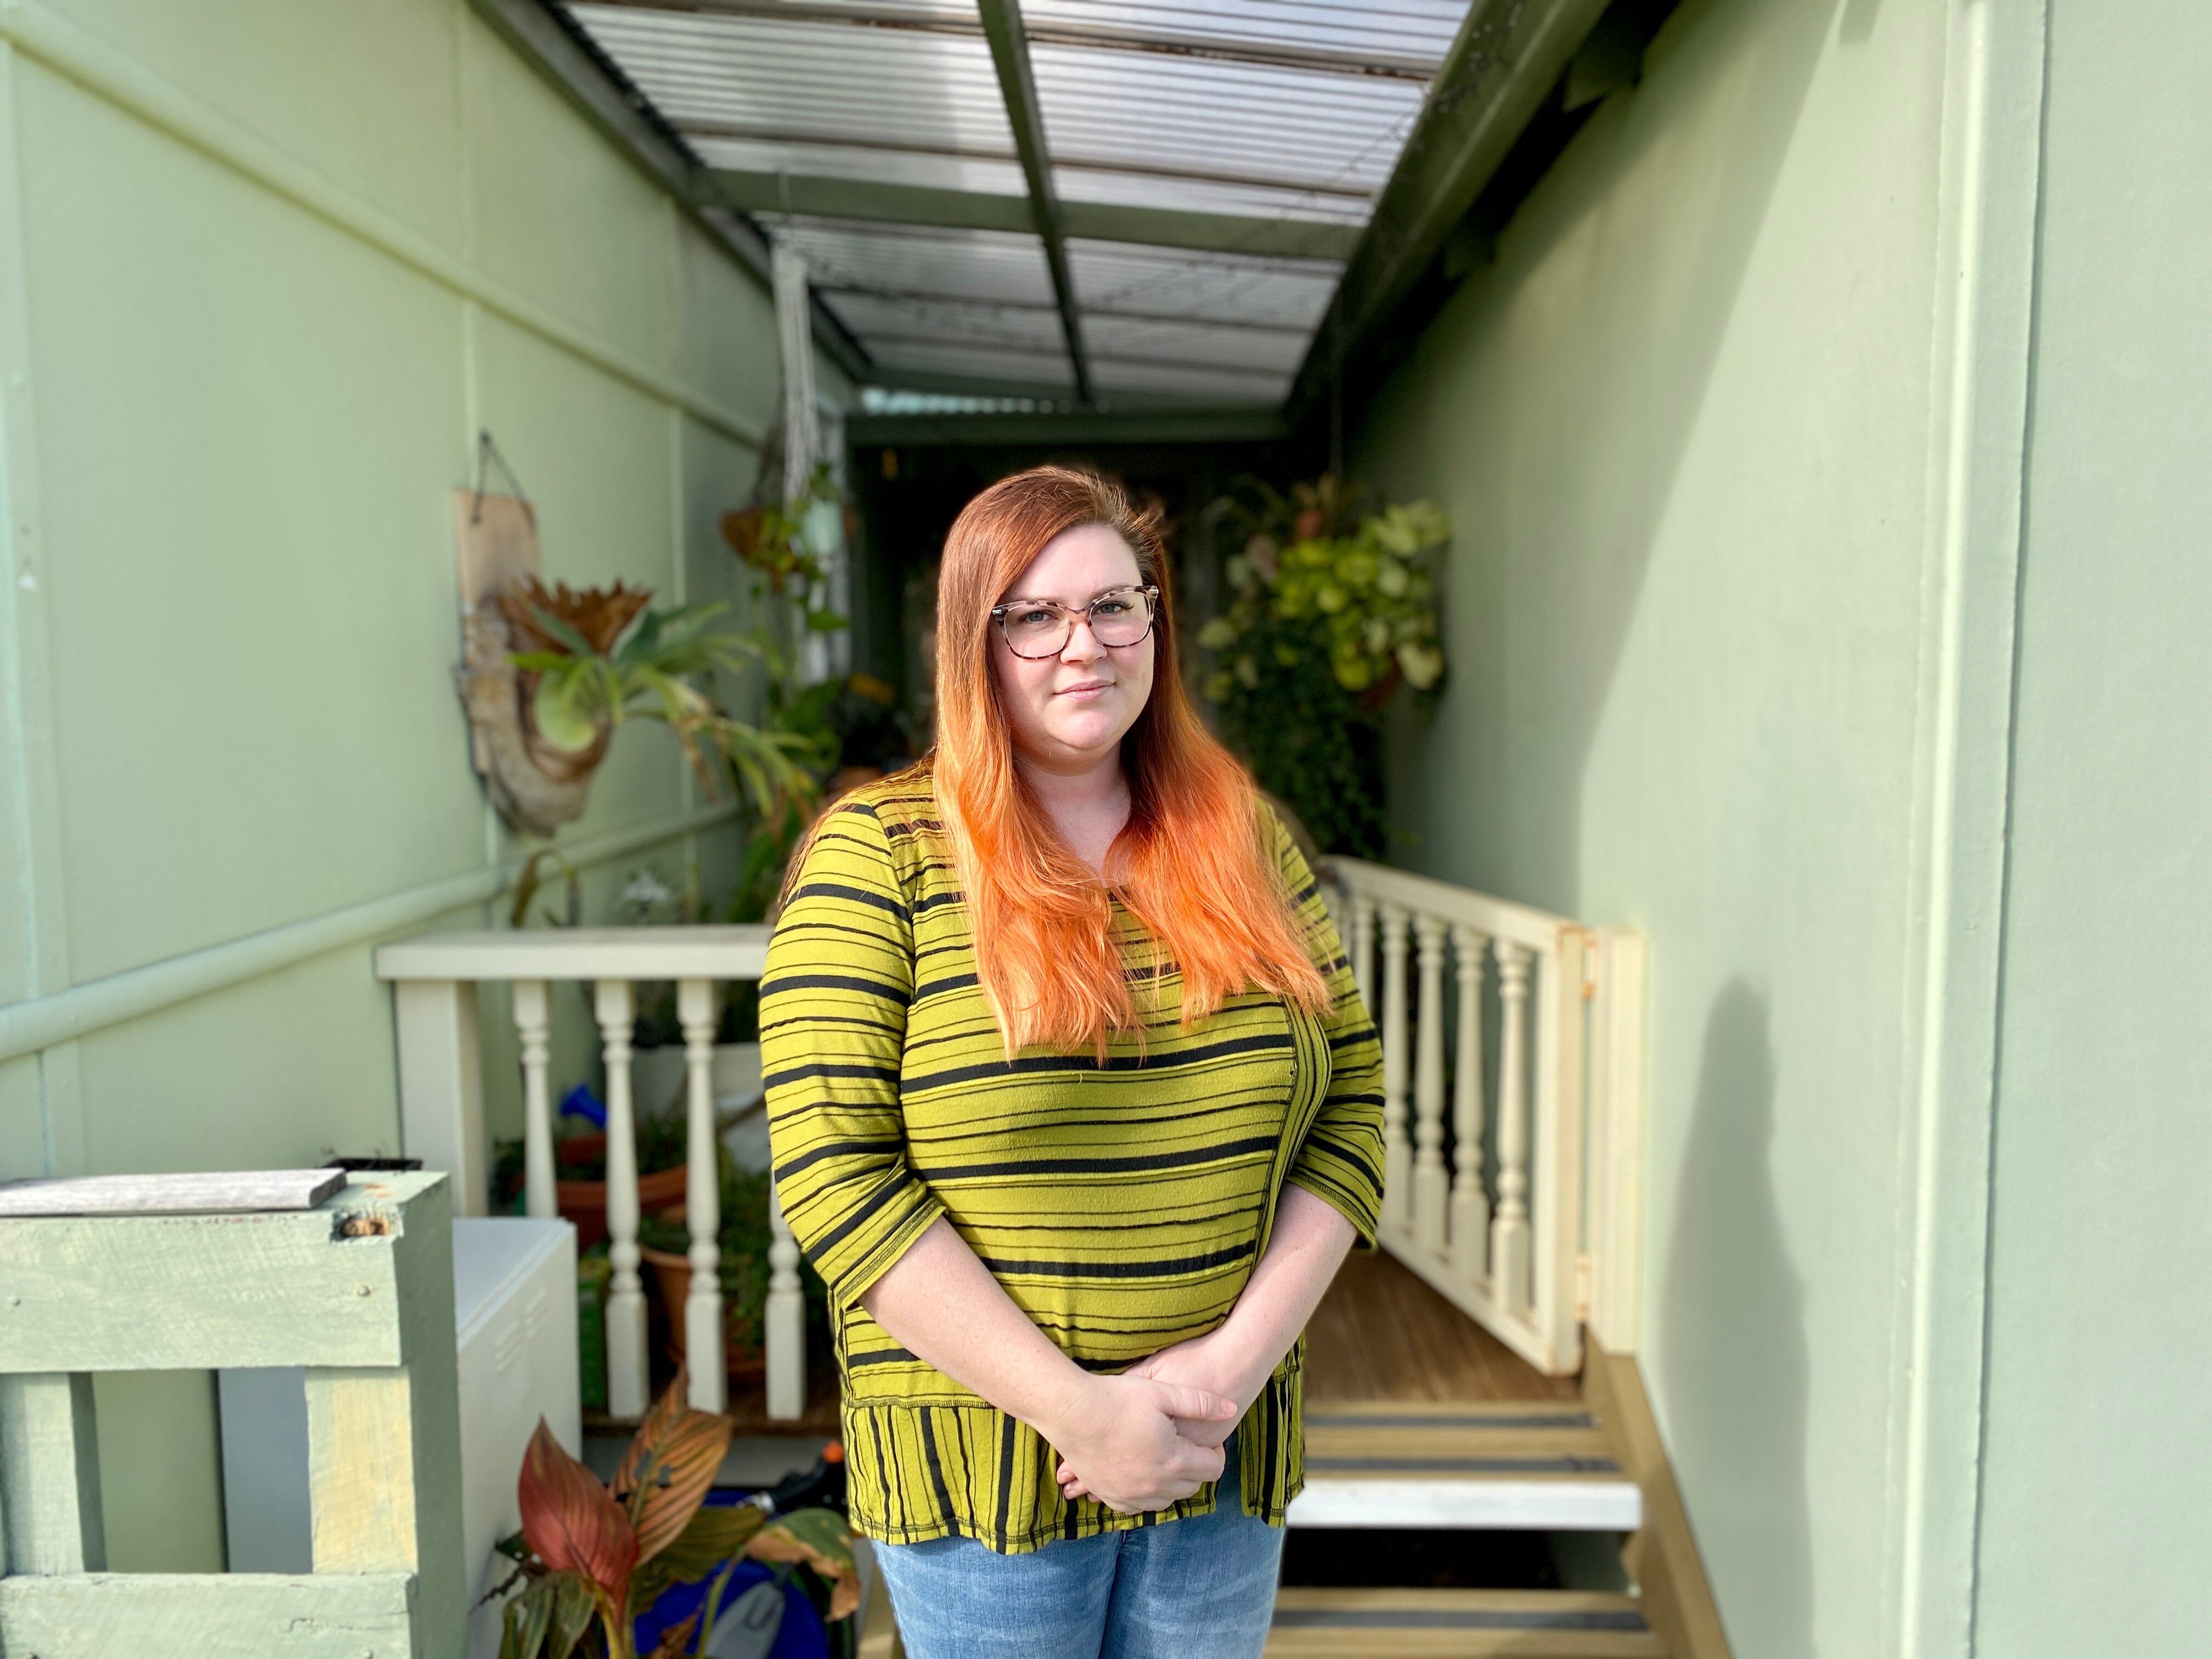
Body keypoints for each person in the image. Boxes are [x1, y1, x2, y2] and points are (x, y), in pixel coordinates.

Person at [760, 465, 1384, 1657]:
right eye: (1034, 616)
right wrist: (1083, 1415)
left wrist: (1226, 1374)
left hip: (1219, 1448)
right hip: (987, 1473)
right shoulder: (878, 857)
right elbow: (839, 1180)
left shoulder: (1240, 837)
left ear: (1156, 619)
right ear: (974, 643)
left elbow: (1350, 1102)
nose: (1082, 644)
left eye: (1113, 605)